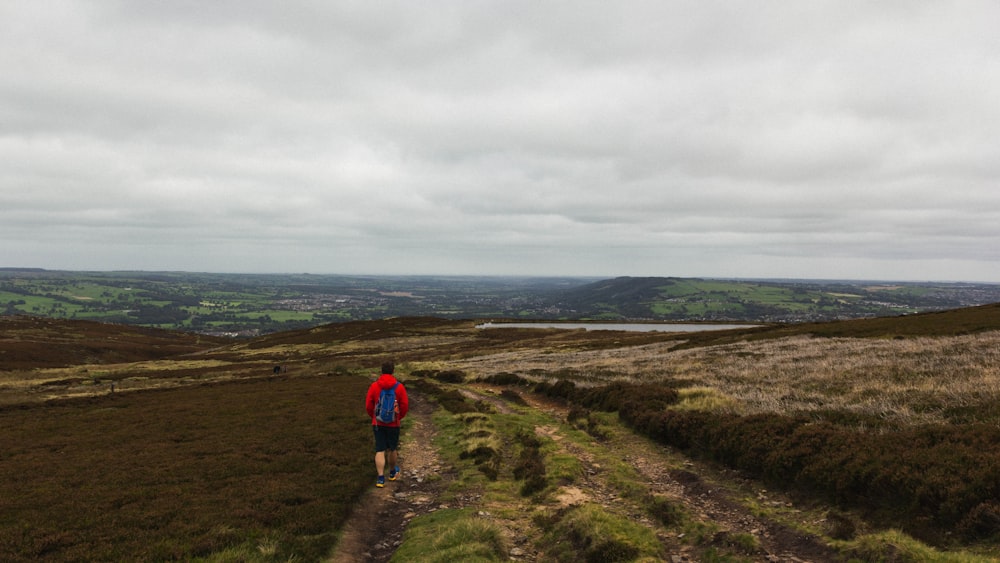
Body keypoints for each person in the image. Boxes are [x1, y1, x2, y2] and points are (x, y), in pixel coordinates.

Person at [365, 361, 409, 488]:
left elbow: (368, 405)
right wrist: (398, 417)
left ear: (381, 371)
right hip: (393, 423)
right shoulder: (399, 387)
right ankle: (391, 473)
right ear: (393, 371)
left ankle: (380, 478)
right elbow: (404, 405)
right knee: (392, 449)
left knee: (380, 449)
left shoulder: (374, 386)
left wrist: (374, 417)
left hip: (378, 423)